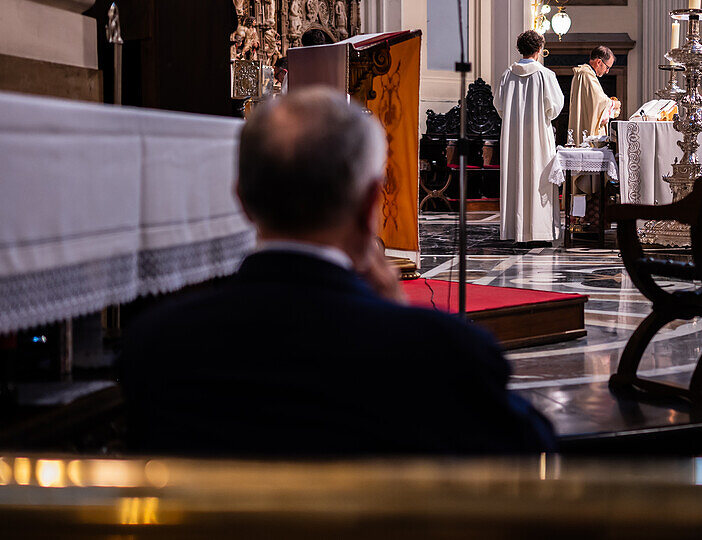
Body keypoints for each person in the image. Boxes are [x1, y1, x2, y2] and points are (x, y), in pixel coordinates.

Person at [121, 88, 554, 457]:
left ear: (243, 201)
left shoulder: (154, 345)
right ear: (370, 204)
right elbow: (535, 454)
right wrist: (395, 311)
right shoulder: (444, 351)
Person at [495, 30, 565, 243]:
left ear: (520, 49)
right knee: (538, 179)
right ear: (539, 50)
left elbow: (498, 105)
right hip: (538, 138)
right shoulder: (545, 75)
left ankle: (516, 231)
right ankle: (539, 231)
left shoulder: (508, 74)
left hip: (513, 137)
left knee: (516, 177)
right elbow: (554, 108)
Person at [568, 46, 617, 142]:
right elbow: (599, 101)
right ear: (599, 62)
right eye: (607, 67)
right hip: (587, 129)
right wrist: (614, 104)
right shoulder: (586, 74)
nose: (607, 71)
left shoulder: (584, 73)